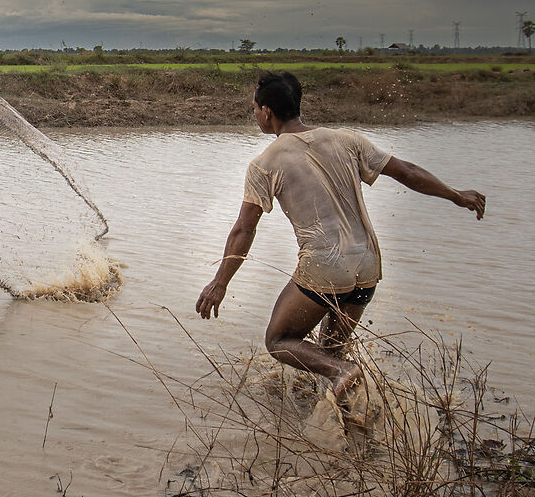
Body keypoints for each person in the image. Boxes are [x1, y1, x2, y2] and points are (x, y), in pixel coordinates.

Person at [194, 70, 485, 399]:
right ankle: (339, 417)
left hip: (325, 268)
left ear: (267, 112)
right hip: (367, 265)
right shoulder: (347, 139)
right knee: (329, 353)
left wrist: (220, 282)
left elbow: (244, 229)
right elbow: (408, 172)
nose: (254, 114)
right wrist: (455, 195)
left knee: (279, 340)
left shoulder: (265, 163)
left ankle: (343, 373)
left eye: (254, 109)